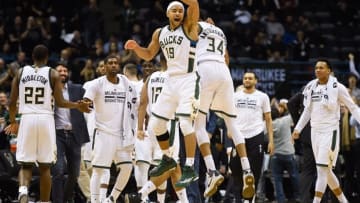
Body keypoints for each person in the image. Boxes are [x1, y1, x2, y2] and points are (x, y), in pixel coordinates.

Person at [124, 0, 200, 187]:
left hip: (188, 79)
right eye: (174, 10)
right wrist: (136, 48)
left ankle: (190, 166)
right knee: (156, 125)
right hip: (170, 80)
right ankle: (167, 158)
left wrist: (187, 4)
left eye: (180, 10)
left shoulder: (189, 27)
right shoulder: (160, 32)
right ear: (167, 13)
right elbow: (149, 54)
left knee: (185, 124)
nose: (177, 13)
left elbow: (195, 5)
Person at [4, 44, 90, 203]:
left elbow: (11, 102)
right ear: (47, 57)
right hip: (45, 119)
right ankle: (45, 202)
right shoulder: (52, 74)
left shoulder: (21, 72)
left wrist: (13, 122)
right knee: (45, 167)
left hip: (27, 118)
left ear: (32, 56)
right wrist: (78, 105)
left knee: (25, 164)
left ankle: (23, 189)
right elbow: (61, 102)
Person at [195, 19, 255, 199]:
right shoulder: (221, 31)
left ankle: (212, 171)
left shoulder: (195, 26)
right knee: (232, 124)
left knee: (198, 125)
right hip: (224, 71)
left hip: (204, 68)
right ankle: (247, 169)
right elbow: (226, 57)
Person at [291, 59, 360, 203]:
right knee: (326, 172)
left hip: (330, 131)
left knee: (322, 170)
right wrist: (298, 128)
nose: (318, 70)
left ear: (329, 70)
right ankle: (343, 200)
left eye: (321, 68)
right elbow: (307, 111)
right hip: (314, 132)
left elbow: (352, 107)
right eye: (316, 68)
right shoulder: (310, 86)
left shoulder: (338, 87)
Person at [83, 54, 137, 203]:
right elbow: (86, 101)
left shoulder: (125, 82)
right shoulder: (97, 84)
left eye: (116, 63)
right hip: (103, 133)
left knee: (127, 168)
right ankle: (95, 201)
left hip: (122, 135)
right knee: (99, 170)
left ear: (119, 66)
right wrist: (83, 105)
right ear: (105, 66)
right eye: (110, 63)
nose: (113, 65)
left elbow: (135, 101)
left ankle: (111, 198)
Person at [51, 62, 90, 203]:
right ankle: (57, 201)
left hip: (74, 135)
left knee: (75, 174)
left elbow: (89, 102)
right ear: (53, 74)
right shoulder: (49, 90)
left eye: (65, 70)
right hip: (57, 134)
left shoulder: (78, 89)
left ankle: (66, 199)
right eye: (59, 70)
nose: (63, 73)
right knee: (58, 171)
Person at [233, 71, 274, 202]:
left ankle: (250, 199)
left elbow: (268, 119)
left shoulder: (263, 97)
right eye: (245, 78)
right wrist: (229, 130)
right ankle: (239, 198)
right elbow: (229, 116)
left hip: (256, 135)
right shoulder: (235, 96)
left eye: (250, 78)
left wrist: (271, 141)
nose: (247, 80)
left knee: (255, 170)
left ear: (256, 81)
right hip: (238, 135)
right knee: (235, 167)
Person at [287, 86, 316, 203]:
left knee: (308, 170)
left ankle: (304, 199)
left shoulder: (307, 87)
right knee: (327, 169)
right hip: (322, 132)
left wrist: (299, 122)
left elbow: (290, 103)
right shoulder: (330, 87)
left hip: (306, 133)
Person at [270, 106, 300, 203]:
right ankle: (298, 197)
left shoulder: (268, 125)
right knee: (294, 176)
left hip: (276, 155)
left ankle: (281, 200)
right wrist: (286, 107)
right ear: (278, 114)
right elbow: (294, 112)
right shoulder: (285, 120)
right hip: (288, 153)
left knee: (277, 179)